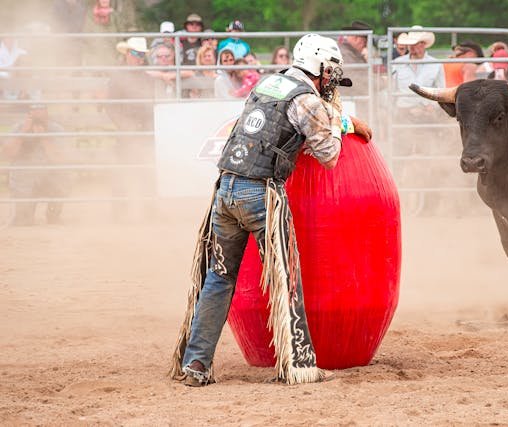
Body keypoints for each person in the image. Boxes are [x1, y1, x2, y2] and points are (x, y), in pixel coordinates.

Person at [174, 33, 372, 386]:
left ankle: (195, 364)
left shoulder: (267, 84)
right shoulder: (308, 101)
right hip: (261, 194)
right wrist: (343, 123)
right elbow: (328, 155)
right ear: (320, 68)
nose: (332, 80)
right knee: (286, 276)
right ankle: (298, 364)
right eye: (331, 72)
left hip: (225, 189)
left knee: (218, 279)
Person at [108, 37, 156, 220]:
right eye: (136, 54)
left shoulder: (147, 79)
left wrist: (147, 126)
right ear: (128, 54)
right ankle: (119, 212)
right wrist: (124, 125)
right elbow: (111, 106)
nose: (139, 58)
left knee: (147, 171)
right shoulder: (117, 78)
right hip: (126, 131)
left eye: (142, 55)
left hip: (144, 130)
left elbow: (152, 105)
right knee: (122, 171)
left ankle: (150, 210)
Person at [3, 105, 70, 225]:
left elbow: (60, 160)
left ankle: (53, 215)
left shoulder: (56, 129)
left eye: (41, 110)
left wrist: (44, 138)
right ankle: (24, 215)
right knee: (23, 221)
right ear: (29, 113)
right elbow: (8, 154)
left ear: (47, 113)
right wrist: (23, 133)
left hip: (49, 177)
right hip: (24, 180)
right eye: (34, 111)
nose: (38, 114)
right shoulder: (19, 127)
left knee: (62, 177)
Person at [391, 27, 445, 120]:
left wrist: (432, 106)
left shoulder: (436, 64)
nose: (411, 46)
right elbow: (392, 89)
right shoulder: (397, 63)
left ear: (423, 44)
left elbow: (441, 90)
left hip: (428, 110)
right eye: (409, 43)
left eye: (415, 43)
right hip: (404, 110)